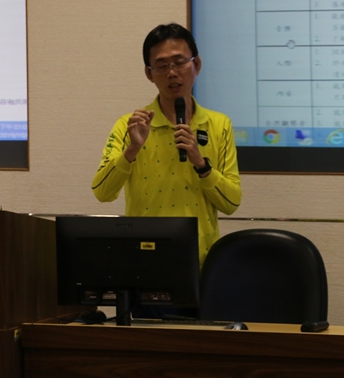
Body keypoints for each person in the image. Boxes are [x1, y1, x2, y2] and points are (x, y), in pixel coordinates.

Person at [92, 23, 241, 266]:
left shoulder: (219, 125)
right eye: (162, 66)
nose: (172, 73)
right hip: (145, 260)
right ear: (149, 73)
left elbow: (231, 203)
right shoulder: (129, 126)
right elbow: (102, 192)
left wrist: (201, 164)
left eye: (180, 62)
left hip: (201, 262)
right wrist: (131, 150)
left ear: (197, 64)